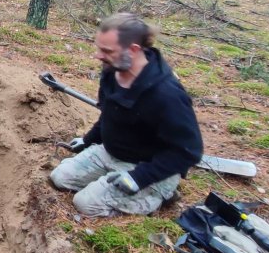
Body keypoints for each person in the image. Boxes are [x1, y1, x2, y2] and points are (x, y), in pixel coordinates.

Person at [50, 12, 203, 217]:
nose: (98, 55)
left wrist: (140, 177)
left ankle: (157, 194)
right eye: (99, 48)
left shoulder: (167, 95)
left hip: (147, 166)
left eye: (107, 50)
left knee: (85, 203)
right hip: (112, 152)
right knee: (60, 177)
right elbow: (109, 115)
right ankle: (111, 179)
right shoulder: (112, 72)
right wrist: (88, 140)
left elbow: (189, 151)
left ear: (133, 50)